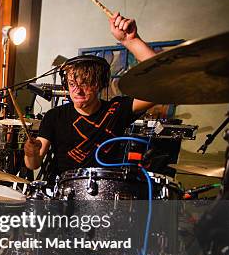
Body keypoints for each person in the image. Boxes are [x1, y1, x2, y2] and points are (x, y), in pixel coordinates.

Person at [24, 12, 157, 177]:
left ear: (99, 84)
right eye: (72, 84)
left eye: (85, 84)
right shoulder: (54, 116)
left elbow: (161, 83)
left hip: (102, 193)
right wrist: (31, 153)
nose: (77, 91)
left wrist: (131, 41)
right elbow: (33, 164)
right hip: (60, 194)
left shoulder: (117, 110)